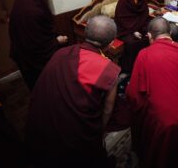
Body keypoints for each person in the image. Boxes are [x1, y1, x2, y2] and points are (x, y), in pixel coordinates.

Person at [25, 15, 121, 167]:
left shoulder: (60, 53)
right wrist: (98, 132)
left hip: (39, 129)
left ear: (84, 33)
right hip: (75, 141)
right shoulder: (109, 69)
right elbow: (107, 111)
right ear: (110, 44)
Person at [127, 17, 178, 168]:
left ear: (149, 36)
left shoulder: (145, 53)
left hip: (167, 124)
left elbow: (134, 95)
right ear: (170, 33)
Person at [9, 0, 68, 90]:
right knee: (44, 92)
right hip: (32, 63)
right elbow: (37, 48)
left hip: (27, 55)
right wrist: (58, 41)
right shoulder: (31, 10)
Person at [114, 0, 151, 74]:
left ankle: (143, 64)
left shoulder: (142, 1)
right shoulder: (123, 2)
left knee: (148, 38)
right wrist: (133, 31)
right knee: (132, 43)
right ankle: (129, 69)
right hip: (124, 30)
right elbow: (122, 20)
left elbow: (145, 18)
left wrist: (146, 30)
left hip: (139, 28)